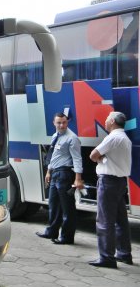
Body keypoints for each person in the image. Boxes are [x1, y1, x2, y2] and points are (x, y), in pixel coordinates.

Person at [87, 111, 133, 268]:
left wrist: (101, 158)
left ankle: (107, 257)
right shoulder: (125, 138)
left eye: (107, 119)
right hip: (120, 183)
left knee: (105, 221)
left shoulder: (113, 137)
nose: (105, 122)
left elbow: (93, 155)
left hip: (108, 183)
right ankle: (124, 254)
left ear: (112, 121)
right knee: (121, 221)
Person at [35, 112, 84, 244]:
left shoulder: (72, 138)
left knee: (68, 208)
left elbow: (77, 159)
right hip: (55, 173)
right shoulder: (55, 136)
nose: (61, 125)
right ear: (54, 123)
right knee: (53, 205)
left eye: (64, 122)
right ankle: (51, 231)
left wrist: (78, 178)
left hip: (64, 174)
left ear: (67, 122)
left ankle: (67, 237)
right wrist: (48, 172)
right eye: (59, 123)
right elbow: (54, 155)